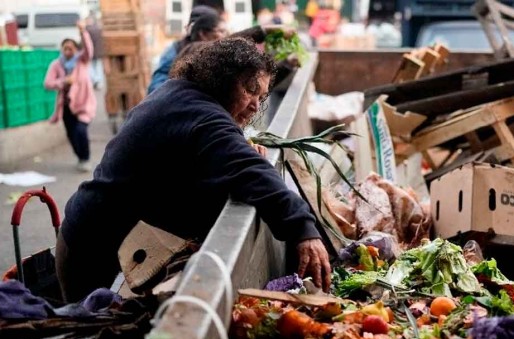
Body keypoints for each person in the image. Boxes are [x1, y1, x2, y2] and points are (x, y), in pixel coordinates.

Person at [55, 38, 331, 302]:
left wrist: (239, 145)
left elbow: (219, 156)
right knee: (93, 334)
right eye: (249, 89)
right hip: (89, 249)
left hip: (99, 236)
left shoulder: (183, 94)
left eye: (261, 95)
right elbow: (250, 172)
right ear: (222, 79)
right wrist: (303, 229)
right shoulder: (201, 115)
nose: (255, 105)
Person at [44, 21, 97, 173]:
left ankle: (86, 158)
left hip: (83, 104)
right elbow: (48, 83)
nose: (68, 51)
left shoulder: (82, 61)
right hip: (66, 107)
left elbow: (89, 49)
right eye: (65, 48)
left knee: (81, 131)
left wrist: (83, 32)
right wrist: (63, 82)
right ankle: (79, 156)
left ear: (76, 50)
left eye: (71, 48)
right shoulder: (56, 64)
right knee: (71, 134)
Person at [147, 5, 226, 94]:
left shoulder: (217, 53)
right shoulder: (175, 51)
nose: (224, 36)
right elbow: (156, 88)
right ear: (203, 33)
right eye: (221, 31)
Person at [85, 13, 105, 90]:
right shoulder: (99, 29)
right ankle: (98, 81)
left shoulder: (87, 30)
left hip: (91, 52)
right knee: (98, 66)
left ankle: (95, 80)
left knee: (91, 67)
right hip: (99, 51)